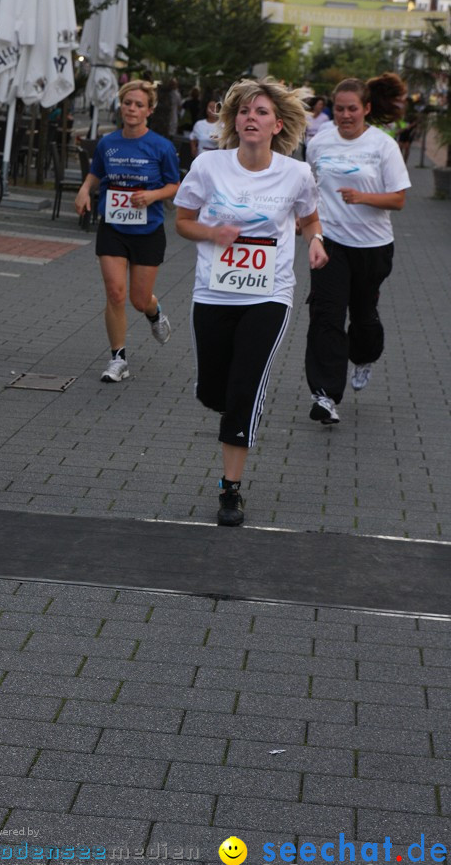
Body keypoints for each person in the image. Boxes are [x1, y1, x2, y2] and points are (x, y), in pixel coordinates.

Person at [174, 78, 328, 527]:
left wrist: (315, 241)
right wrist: (212, 233)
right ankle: (232, 405)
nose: (251, 118)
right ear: (233, 120)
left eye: (260, 112)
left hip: (269, 294)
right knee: (213, 389)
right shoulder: (208, 165)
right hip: (213, 291)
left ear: (277, 124)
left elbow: (309, 218)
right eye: (243, 111)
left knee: (246, 386)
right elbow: (183, 221)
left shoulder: (296, 173)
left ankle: (230, 489)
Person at [304, 76, 411, 426]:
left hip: (372, 246)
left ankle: (363, 357)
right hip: (330, 242)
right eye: (339, 108)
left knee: (363, 315)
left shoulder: (383, 145)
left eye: (353, 109)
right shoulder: (319, 142)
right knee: (326, 315)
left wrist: (362, 196)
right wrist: (304, 225)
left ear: (366, 108)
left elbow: (398, 199)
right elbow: (310, 190)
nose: (346, 115)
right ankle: (324, 394)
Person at [74, 79, 180, 384]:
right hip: (113, 227)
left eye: (139, 105)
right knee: (115, 293)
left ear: (149, 110)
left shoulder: (161, 146)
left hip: (147, 229)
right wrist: (84, 190)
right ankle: (118, 358)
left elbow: (175, 185)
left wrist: (153, 196)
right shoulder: (108, 143)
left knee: (138, 298)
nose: (132, 109)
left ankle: (154, 312)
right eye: (128, 103)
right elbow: (97, 172)